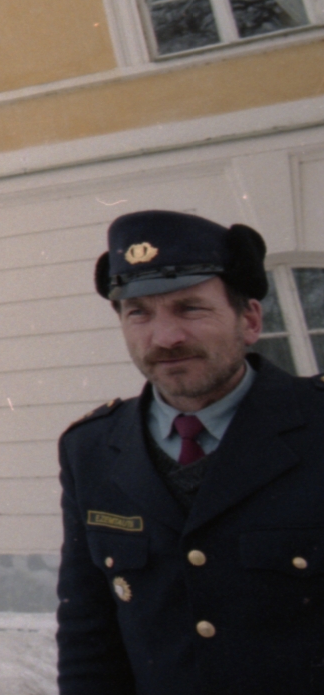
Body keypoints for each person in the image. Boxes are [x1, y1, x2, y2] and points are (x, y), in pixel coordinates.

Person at [56, 210, 324, 694]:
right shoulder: (91, 450)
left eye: (190, 308)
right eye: (139, 313)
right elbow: (88, 637)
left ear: (249, 320)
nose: (165, 337)